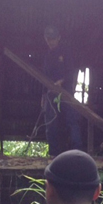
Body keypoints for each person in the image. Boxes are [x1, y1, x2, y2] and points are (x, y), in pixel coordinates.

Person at [41, 25, 82, 156]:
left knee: (71, 120)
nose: (50, 42)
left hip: (66, 92)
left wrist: (62, 81)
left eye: (52, 39)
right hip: (51, 94)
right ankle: (53, 153)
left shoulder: (65, 52)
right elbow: (44, 77)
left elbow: (72, 72)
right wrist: (43, 95)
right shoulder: (47, 56)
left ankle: (77, 151)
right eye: (48, 39)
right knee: (50, 123)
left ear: (58, 38)